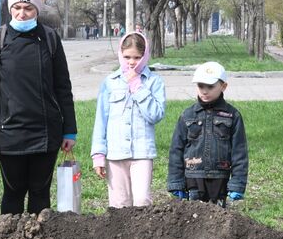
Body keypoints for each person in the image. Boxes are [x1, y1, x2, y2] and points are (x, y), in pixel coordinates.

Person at [0, 0, 78, 214]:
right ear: (10, 9)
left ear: (37, 9)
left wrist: (69, 129)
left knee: (40, 193)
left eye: (28, 8)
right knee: (13, 192)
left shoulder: (49, 39)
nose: (22, 14)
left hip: (46, 134)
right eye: (17, 8)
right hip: (9, 134)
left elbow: (63, 87)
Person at [91, 31, 166, 208]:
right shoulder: (110, 81)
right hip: (115, 154)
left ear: (145, 56)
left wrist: (137, 87)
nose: (131, 62)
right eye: (127, 57)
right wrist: (98, 155)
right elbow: (101, 120)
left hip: (142, 153)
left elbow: (155, 115)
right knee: (119, 204)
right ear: (120, 55)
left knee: (142, 201)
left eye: (137, 57)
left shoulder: (154, 82)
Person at [166, 61, 248, 207]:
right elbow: (176, 150)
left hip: (220, 178)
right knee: (194, 219)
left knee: (217, 220)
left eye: (210, 86)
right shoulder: (187, 115)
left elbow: (239, 152)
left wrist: (237, 184)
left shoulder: (232, 116)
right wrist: (176, 182)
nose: (204, 91)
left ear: (223, 86)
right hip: (193, 177)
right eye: (200, 86)